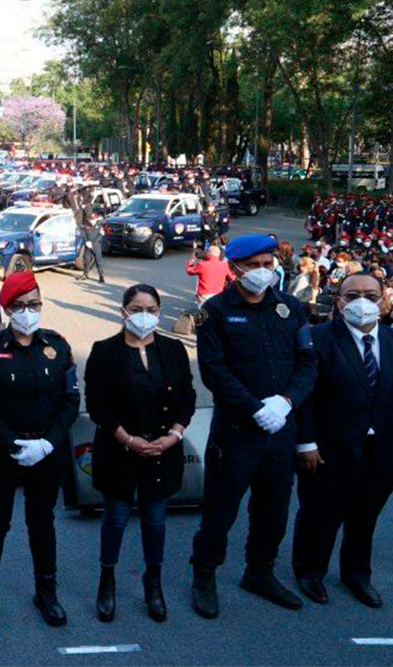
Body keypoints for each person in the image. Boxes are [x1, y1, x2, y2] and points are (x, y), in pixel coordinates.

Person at [189, 234, 317, 619]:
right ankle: (205, 574)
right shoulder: (214, 311)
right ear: (235, 268)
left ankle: (259, 572)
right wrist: (253, 408)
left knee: (274, 510)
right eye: (256, 265)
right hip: (237, 432)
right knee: (221, 510)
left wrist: (286, 401)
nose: (265, 272)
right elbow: (213, 370)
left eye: (269, 264)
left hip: (280, 429)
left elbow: (307, 363)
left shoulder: (290, 308)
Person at [0, 270, 79, 631]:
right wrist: (16, 444)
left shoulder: (58, 346)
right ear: (6, 308)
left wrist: (47, 443)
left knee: (42, 523)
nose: (28, 312)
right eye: (19, 305)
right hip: (4, 452)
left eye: (34, 304)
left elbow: (70, 400)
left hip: (47, 452)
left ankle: (46, 592)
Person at [84, 284, 196, 623]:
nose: (143, 316)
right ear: (123, 312)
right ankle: (107, 579)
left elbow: (187, 397)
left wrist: (174, 434)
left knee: (155, 520)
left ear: (159, 313)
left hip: (163, 450)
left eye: (150, 309)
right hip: (120, 449)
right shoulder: (104, 351)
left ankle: (154, 581)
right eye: (136, 309)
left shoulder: (174, 349)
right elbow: (96, 404)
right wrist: (127, 439)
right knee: (116, 518)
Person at [293, 272, 392, 607]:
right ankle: (310, 571)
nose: (362, 302)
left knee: (365, 517)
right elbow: (305, 397)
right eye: (352, 295)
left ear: (384, 300)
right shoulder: (316, 338)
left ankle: (356, 574)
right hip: (328, 450)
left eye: (370, 295)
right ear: (338, 301)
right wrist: (306, 443)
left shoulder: (391, 340)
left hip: (380, 451)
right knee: (321, 515)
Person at [76, 214, 106, 283]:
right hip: (88, 245)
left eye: (93, 220)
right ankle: (85, 274)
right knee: (87, 260)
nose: (91, 221)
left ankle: (101, 276)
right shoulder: (86, 226)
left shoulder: (99, 226)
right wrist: (86, 241)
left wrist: (93, 243)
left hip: (96, 246)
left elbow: (100, 236)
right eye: (90, 220)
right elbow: (84, 234)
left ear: (96, 220)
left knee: (98, 262)